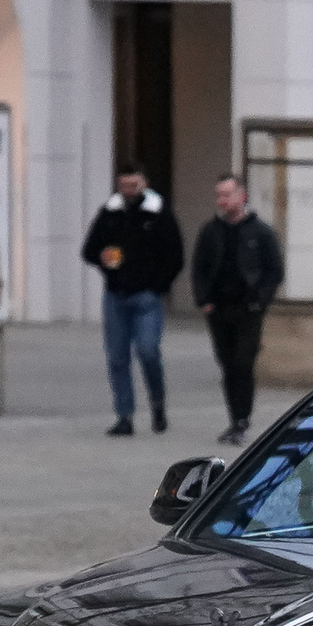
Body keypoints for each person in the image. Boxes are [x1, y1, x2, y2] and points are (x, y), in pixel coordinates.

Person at [80, 163, 185, 437]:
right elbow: (89, 249)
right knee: (117, 358)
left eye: (133, 186)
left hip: (147, 297)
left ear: (144, 184)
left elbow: (176, 254)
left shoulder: (158, 211)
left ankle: (158, 405)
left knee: (149, 351)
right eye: (124, 186)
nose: (128, 191)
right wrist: (103, 258)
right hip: (115, 296)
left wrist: (159, 286)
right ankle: (124, 416)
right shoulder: (110, 212)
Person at [190, 174, 285, 446]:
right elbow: (199, 268)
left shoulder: (261, 232)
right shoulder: (211, 231)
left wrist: (261, 301)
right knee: (227, 363)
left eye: (228, 194)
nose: (223, 200)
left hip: (248, 309)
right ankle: (234, 419)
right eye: (219, 195)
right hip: (218, 308)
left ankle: (242, 419)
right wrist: (203, 300)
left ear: (242, 196)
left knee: (244, 362)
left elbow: (274, 271)